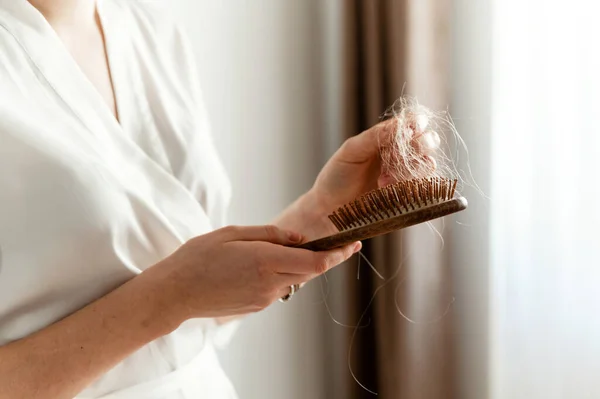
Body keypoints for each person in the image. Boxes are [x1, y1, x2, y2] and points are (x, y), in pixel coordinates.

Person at [0, 0, 437, 398]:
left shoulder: (151, 32)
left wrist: (316, 217)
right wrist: (173, 295)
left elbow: (196, 314)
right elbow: (183, 294)